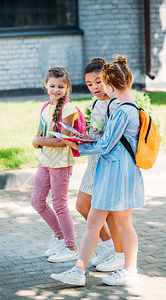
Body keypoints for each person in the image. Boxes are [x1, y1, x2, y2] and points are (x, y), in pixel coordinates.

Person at [50, 55, 145, 286]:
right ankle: (84, 270)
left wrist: (76, 145)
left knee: (115, 223)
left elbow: (105, 145)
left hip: (116, 173)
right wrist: (82, 141)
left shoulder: (123, 111)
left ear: (110, 86)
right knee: (106, 222)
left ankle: (121, 269)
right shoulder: (128, 108)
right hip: (115, 172)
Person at [76, 58, 124, 272]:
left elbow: (114, 137)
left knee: (109, 213)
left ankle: (118, 253)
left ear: (107, 80)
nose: (94, 87)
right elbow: (98, 132)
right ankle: (107, 247)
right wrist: (85, 134)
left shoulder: (115, 104)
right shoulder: (96, 103)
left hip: (106, 163)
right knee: (82, 205)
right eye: (89, 84)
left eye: (98, 82)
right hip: (93, 162)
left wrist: (96, 136)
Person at [31, 67, 79, 263]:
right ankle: (60, 237)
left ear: (67, 88)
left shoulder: (68, 109)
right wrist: (38, 139)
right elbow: (41, 133)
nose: (56, 90)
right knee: (37, 201)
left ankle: (71, 247)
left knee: (60, 205)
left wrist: (39, 141)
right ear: (46, 85)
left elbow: (63, 141)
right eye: (52, 86)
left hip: (61, 163)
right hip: (46, 162)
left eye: (60, 86)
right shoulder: (45, 106)